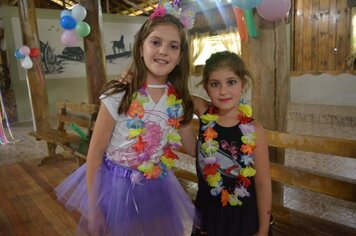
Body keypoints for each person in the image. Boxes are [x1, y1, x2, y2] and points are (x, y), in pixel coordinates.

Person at [55, 3, 199, 235]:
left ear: (180, 56)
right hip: (116, 187)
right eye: (156, 42)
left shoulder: (179, 99)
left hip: (158, 186)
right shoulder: (119, 94)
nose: (163, 51)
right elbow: (94, 155)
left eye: (173, 46)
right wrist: (94, 210)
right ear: (140, 48)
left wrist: (221, 135)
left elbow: (192, 147)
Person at [192, 51, 272, 236]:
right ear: (206, 87)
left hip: (242, 215)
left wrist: (262, 230)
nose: (223, 91)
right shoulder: (204, 112)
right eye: (215, 84)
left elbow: (262, 183)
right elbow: (175, 91)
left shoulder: (254, 130)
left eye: (231, 82)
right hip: (208, 210)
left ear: (243, 84)